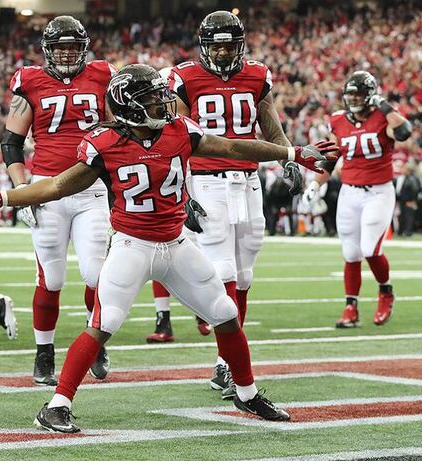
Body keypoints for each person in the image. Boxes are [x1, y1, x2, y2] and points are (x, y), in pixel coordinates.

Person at [0, 64, 338, 432]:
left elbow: (231, 146)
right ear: (129, 106)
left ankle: (246, 393)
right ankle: (56, 405)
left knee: (225, 312)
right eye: (152, 99)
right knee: (105, 323)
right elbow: (55, 187)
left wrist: (290, 153)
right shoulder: (104, 144)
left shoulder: (180, 131)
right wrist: (3, 196)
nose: (163, 104)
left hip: (176, 242)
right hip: (132, 245)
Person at [166, 11, 304, 395]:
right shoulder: (185, 77)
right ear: (204, 45)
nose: (224, 52)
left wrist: (286, 157)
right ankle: (228, 364)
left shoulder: (257, 75)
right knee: (223, 270)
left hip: (248, 181)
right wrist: (184, 193)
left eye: (230, 44)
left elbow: (269, 124)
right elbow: (177, 137)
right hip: (207, 182)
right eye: (217, 44)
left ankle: (225, 362)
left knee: (244, 276)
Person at [2, 16, 116, 385]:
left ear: (84, 49)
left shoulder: (102, 75)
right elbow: (11, 144)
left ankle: (94, 338)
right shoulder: (30, 81)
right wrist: (22, 194)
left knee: (96, 274)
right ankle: (44, 353)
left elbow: (118, 133)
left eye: (73, 47)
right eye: (60, 47)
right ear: (47, 50)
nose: (67, 55)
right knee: (50, 278)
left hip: (91, 188)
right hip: (48, 190)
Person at [302, 70, 412, 327]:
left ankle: (386, 291)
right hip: (349, 192)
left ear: (371, 96)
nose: (353, 99)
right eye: (349, 94)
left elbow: (405, 132)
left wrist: (383, 106)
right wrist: (315, 185)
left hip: (378, 191)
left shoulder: (383, 116)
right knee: (350, 252)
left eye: (358, 94)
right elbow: (331, 157)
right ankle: (351, 307)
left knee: (370, 249)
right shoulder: (338, 120)